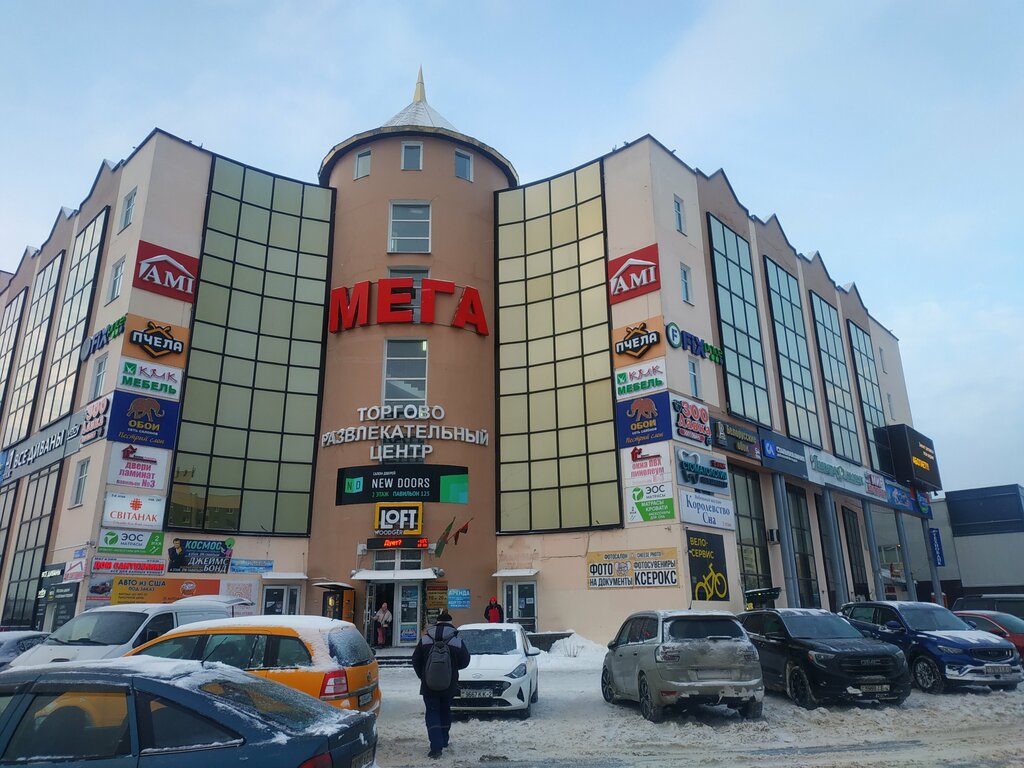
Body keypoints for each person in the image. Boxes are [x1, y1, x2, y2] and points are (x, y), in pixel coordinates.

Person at [411, 610, 470, 759]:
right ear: (450, 623)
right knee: (445, 711)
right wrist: (452, 670)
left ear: (436, 623)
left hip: (428, 685)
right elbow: (465, 661)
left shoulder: (425, 638)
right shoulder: (456, 640)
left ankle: (435, 747)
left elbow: (415, 660)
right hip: (449, 684)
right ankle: (444, 740)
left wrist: (423, 676)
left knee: (432, 712)